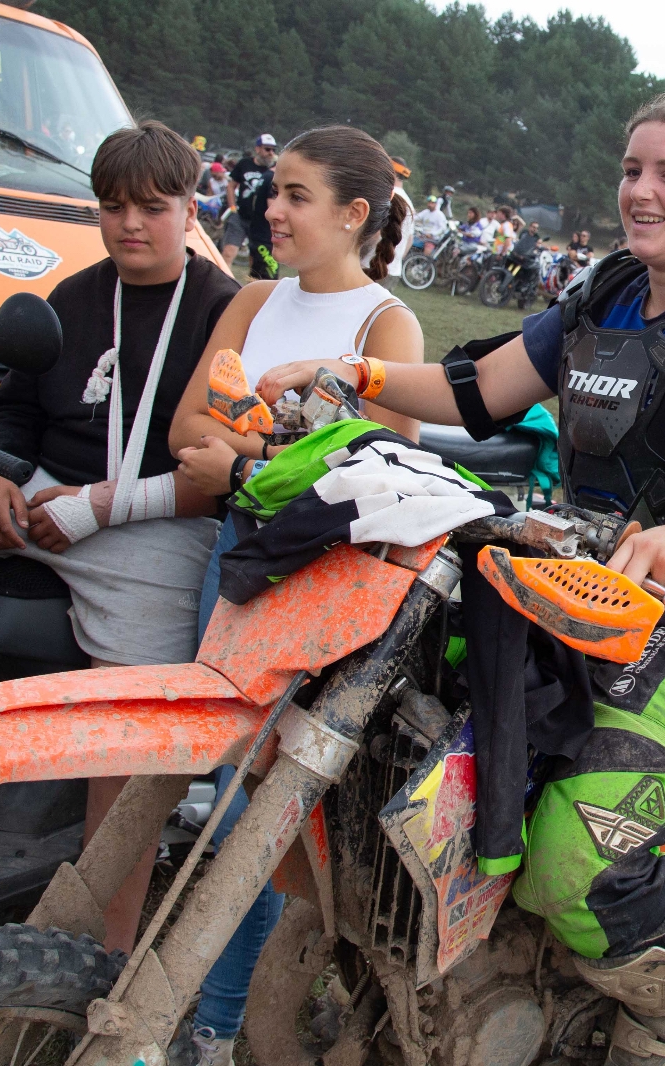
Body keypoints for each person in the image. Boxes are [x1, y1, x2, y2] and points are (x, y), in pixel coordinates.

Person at [257, 85, 665, 1066]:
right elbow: (480, 389)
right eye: (632, 169)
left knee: (578, 856)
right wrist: (355, 375)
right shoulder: (607, 296)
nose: (641, 190)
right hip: (570, 592)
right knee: (405, 748)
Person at [0, 122, 238, 956]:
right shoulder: (73, 295)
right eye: (112, 207)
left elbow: (217, 468)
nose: (130, 224)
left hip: (156, 521)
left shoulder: (221, 306)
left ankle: (101, 949)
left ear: (190, 208)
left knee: (131, 730)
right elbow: (16, 407)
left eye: (152, 207)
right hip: (35, 493)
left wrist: (97, 507)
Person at [166, 125, 425, 1066]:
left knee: (257, 810)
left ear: (353, 214)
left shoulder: (384, 329)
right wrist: (282, 450)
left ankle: (217, 1022)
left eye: (295, 196)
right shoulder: (253, 298)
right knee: (223, 779)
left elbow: (374, 473)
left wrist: (243, 455)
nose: (270, 209)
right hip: (237, 558)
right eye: (273, 191)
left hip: (321, 585)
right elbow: (183, 428)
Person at [225, 135, 278, 275]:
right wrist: (232, 207)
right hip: (241, 215)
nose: (271, 153)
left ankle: (252, 284)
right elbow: (231, 185)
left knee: (256, 258)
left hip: (260, 222)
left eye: (273, 150)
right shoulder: (245, 164)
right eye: (267, 149)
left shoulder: (273, 170)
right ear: (258, 149)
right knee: (229, 252)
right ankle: (224, 283)